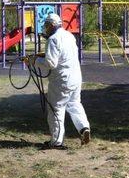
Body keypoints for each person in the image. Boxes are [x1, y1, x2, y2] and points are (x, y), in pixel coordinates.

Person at [32, 13, 90, 149]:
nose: (45, 28)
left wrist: (34, 60)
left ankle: (56, 142)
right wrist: (43, 55)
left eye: (47, 25)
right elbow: (63, 54)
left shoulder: (52, 39)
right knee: (75, 104)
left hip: (62, 80)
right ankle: (84, 128)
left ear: (52, 25)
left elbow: (51, 63)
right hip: (75, 77)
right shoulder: (69, 36)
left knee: (56, 108)